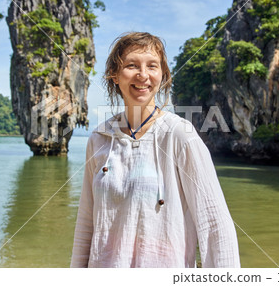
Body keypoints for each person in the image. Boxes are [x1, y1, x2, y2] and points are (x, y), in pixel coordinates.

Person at [70, 32, 240, 268]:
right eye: (131, 65)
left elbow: (214, 224)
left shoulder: (180, 135)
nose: (143, 75)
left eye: (152, 66)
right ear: (114, 76)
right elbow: (87, 223)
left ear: (163, 75)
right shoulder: (100, 139)